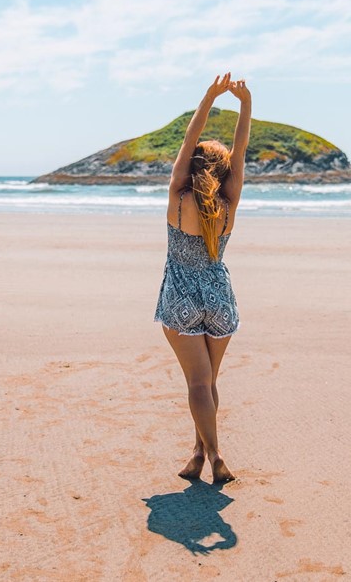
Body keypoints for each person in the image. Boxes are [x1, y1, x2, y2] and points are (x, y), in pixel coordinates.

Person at [153, 72, 251, 483]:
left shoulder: (178, 198)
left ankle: (214, 455)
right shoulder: (229, 203)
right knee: (209, 383)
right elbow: (241, 151)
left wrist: (209, 98)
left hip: (181, 296)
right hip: (219, 296)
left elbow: (186, 145)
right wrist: (246, 105)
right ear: (224, 171)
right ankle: (197, 453)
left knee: (197, 383)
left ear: (192, 167)